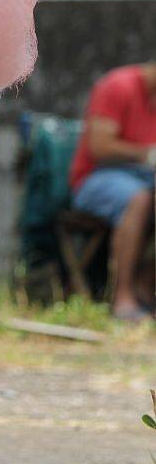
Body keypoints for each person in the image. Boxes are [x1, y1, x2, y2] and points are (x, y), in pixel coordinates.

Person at [70, 63, 156, 319]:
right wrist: (147, 153)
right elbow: (99, 146)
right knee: (137, 198)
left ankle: (145, 283)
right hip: (96, 178)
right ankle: (123, 298)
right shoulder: (119, 85)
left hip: (144, 178)